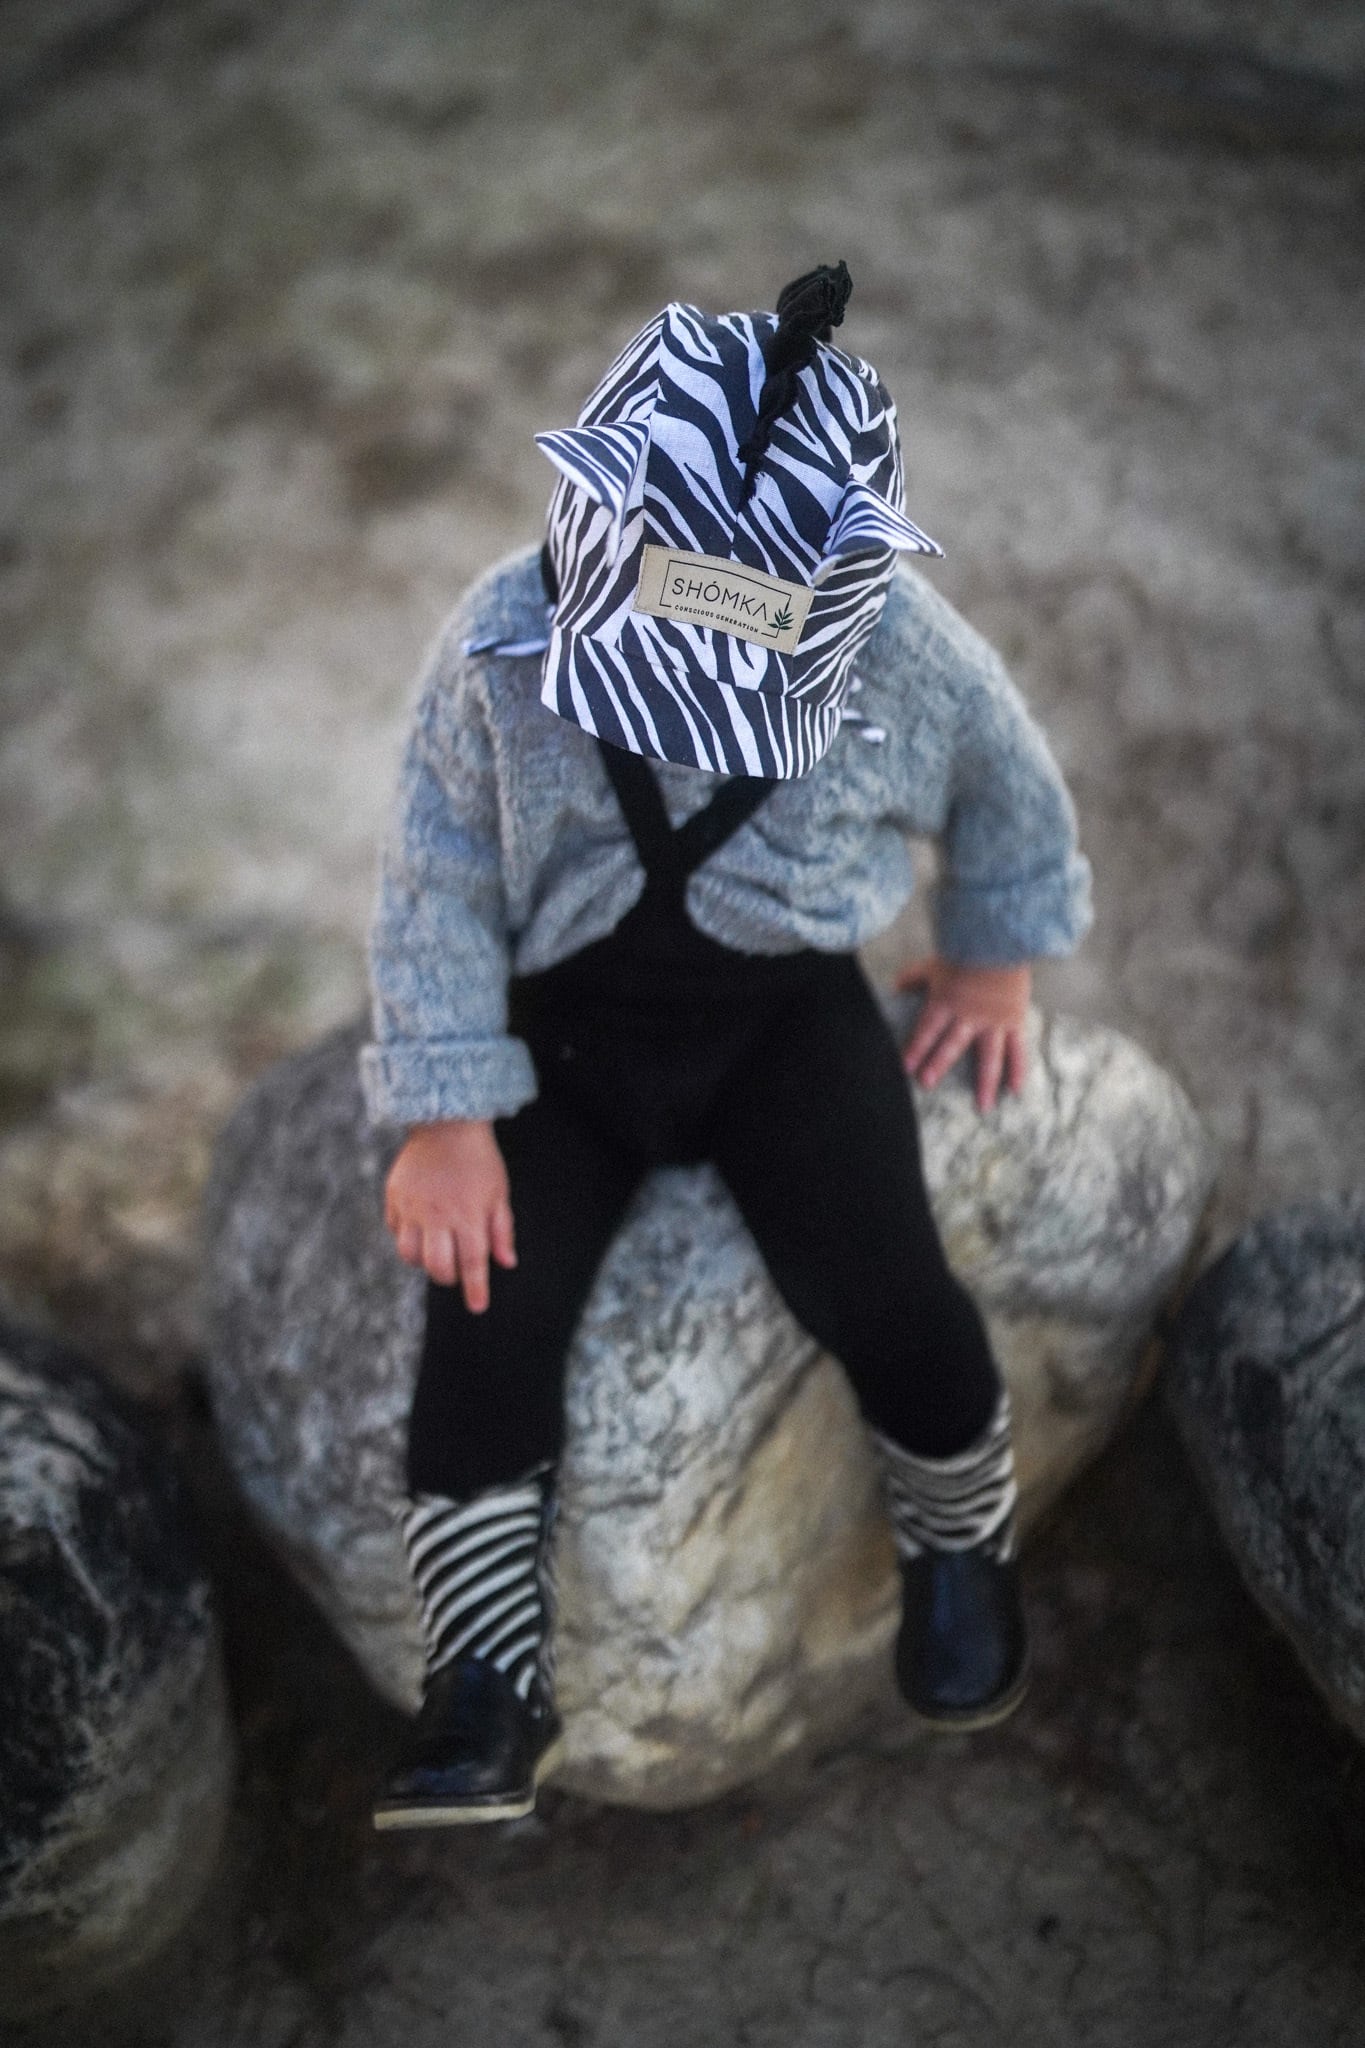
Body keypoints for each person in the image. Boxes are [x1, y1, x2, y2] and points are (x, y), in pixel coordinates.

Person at [359, 264, 1092, 1829]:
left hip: (782, 1020)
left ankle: (957, 1539)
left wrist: (992, 962)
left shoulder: (902, 653)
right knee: (481, 1306)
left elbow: (1008, 788)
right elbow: (436, 873)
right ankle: (484, 1674)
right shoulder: (498, 643)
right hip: (560, 1043)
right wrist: (443, 1106)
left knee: (886, 1282)